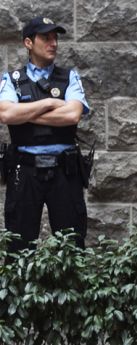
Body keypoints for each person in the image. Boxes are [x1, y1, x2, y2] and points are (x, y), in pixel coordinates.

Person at [0, 16, 89, 252]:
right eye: (46, 38)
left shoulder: (70, 77)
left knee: (71, 246)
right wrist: (50, 102)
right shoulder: (12, 80)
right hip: (25, 171)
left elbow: (72, 116)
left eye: (55, 38)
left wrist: (26, 114)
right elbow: (6, 115)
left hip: (64, 171)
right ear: (28, 43)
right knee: (19, 246)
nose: (54, 43)